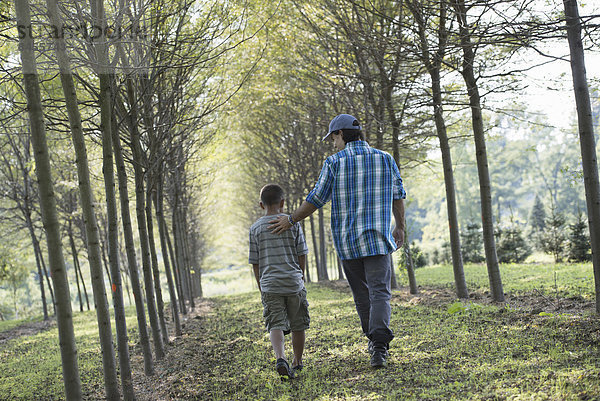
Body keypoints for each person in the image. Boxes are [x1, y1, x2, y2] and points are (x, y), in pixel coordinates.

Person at [269, 114, 406, 368]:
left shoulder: (334, 162)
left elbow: (316, 198)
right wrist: (400, 226)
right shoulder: (386, 159)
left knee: (362, 296)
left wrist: (291, 219)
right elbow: (398, 195)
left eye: (333, 138)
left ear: (340, 134)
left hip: (348, 243)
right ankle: (379, 346)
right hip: (378, 239)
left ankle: (374, 341)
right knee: (380, 293)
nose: (333, 144)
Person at [249, 184, 310, 379]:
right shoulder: (293, 223)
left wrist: (261, 285)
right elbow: (302, 254)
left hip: (270, 284)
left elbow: (255, 262)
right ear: (283, 202)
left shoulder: (255, 229)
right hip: (293, 281)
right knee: (298, 322)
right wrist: (300, 276)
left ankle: (281, 357)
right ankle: (298, 361)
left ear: (261, 205)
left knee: (275, 322)